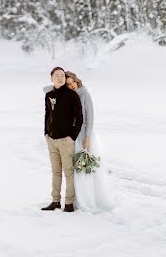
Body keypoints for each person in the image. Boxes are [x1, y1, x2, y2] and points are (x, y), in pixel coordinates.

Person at [43, 70, 113, 212]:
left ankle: (88, 198)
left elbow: (89, 118)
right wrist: (46, 132)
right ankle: (74, 199)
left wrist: (87, 137)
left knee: (84, 167)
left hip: (83, 135)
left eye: (73, 82)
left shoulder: (83, 94)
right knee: (74, 170)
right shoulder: (62, 94)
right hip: (70, 135)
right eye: (68, 84)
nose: (71, 85)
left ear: (77, 81)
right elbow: (50, 92)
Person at [41, 66, 83, 213]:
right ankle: (55, 201)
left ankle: (69, 203)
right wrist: (46, 133)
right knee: (55, 172)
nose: (60, 77)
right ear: (51, 78)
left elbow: (79, 119)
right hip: (51, 140)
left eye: (62, 75)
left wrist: (72, 137)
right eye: (57, 75)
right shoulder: (49, 95)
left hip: (66, 141)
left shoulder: (72, 95)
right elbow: (47, 115)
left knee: (68, 172)